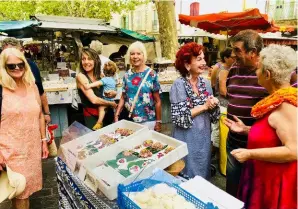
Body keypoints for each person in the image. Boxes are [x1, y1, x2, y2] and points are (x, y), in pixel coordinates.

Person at [224, 44, 297, 209]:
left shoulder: (286, 106)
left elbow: (294, 150)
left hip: (274, 183)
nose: (256, 72)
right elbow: (273, 137)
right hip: (262, 178)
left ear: (268, 74)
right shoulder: (278, 100)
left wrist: (250, 153)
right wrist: (246, 130)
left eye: (259, 69)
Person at [0, 48, 49, 209]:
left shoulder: (31, 85)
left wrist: (43, 140)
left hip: (30, 149)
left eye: (20, 64)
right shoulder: (1, 89)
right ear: (3, 67)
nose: (17, 68)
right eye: (11, 66)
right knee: (14, 191)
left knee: (25, 191)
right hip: (8, 150)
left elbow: (40, 114)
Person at [225, 30, 268, 197]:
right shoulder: (235, 68)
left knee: (254, 194)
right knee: (232, 192)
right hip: (234, 143)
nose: (233, 54)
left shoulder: (273, 71)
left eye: (237, 50)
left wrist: (250, 130)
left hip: (260, 148)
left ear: (253, 52)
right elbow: (230, 94)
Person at [170, 42, 220, 179]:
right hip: (186, 137)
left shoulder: (206, 83)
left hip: (203, 137)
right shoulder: (179, 85)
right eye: (199, 59)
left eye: (204, 58)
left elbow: (214, 117)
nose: (204, 62)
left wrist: (214, 106)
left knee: (202, 171)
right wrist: (204, 106)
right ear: (187, 64)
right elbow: (180, 118)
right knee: (185, 173)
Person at [1, 37, 51, 124]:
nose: (16, 67)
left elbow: (41, 92)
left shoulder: (31, 66)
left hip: (31, 118)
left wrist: (46, 113)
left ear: (21, 51)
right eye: (6, 53)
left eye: (20, 65)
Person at [114, 41, 161, 131]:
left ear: (143, 56)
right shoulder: (127, 75)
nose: (135, 57)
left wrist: (158, 121)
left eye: (138, 54)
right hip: (130, 121)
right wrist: (117, 114)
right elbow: (123, 97)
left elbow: (157, 101)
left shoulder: (151, 74)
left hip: (148, 121)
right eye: (132, 54)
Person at [76, 48, 117, 130]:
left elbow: (110, 89)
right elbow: (94, 100)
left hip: (107, 115)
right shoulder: (81, 77)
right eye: (83, 59)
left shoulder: (101, 76)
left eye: (90, 59)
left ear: (96, 61)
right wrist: (111, 104)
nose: (86, 62)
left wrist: (113, 93)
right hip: (92, 117)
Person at [83, 61, 117, 130]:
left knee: (101, 109)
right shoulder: (113, 80)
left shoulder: (105, 79)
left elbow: (98, 83)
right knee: (110, 113)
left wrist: (89, 86)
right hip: (111, 100)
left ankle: (99, 122)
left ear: (104, 71)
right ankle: (114, 121)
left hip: (105, 99)